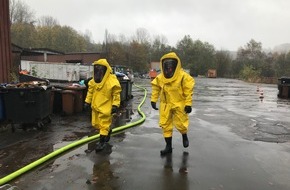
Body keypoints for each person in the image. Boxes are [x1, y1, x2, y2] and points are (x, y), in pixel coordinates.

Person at [151, 52, 195, 156]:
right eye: (167, 67)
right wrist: (153, 100)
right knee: (165, 125)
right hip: (165, 104)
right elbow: (156, 88)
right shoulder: (161, 77)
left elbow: (188, 91)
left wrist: (188, 104)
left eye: (171, 67)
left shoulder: (183, 77)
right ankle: (168, 146)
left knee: (181, 122)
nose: (169, 69)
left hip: (179, 103)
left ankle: (184, 135)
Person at [84, 59, 122, 152]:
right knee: (96, 124)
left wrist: (115, 105)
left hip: (106, 108)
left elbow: (116, 94)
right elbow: (90, 92)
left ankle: (101, 143)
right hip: (95, 106)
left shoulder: (112, 81)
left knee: (104, 125)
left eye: (101, 70)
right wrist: (87, 102)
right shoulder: (93, 81)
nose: (99, 72)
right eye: (97, 70)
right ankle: (107, 132)